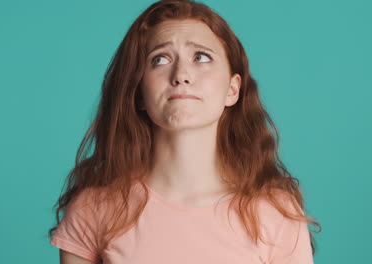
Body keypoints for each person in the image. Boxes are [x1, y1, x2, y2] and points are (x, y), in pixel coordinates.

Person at [48, 0, 321, 263]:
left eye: (201, 57)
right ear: (139, 92)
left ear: (232, 89)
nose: (181, 74)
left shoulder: (275, 213)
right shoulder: (93, 209)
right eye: (160, 59)